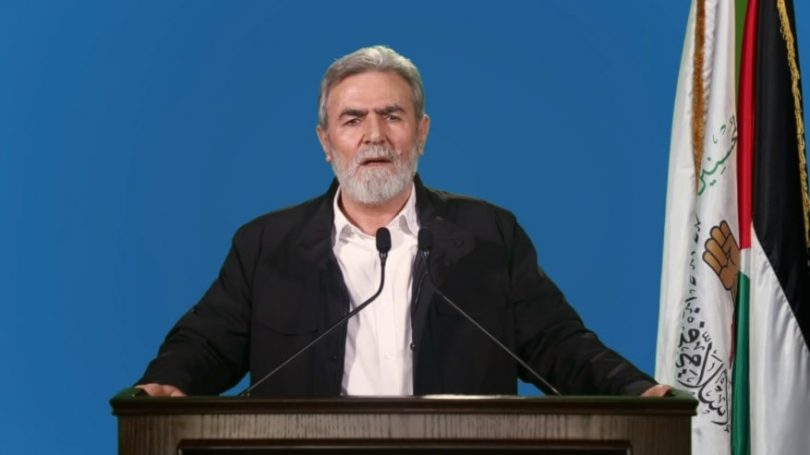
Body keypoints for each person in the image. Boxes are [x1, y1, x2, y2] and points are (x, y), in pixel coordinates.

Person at [136, 45, 670, 398]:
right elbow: (205, 345)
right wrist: (164, 383)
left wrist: (636, 392)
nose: (374, 135)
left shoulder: (490, 236)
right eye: (352, 119)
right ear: (326, 141)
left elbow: (559, 345)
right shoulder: (264, 245)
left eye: (392, 116)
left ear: (422, 132)